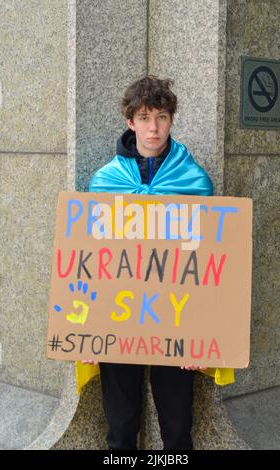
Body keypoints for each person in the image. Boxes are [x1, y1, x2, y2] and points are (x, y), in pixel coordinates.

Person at [78, 75, 234, 450]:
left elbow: (205, 266)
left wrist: (199, 336)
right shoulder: (105, 181)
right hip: (118, 320)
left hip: (175, 322)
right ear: (130, 122)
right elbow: (91, 262)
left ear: (171, 120)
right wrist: (88, 329)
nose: (153, 127)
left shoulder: (194, 181)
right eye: (145, 117)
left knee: (178, 429)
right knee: (120, 427)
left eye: (161, 117)